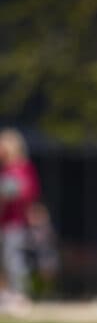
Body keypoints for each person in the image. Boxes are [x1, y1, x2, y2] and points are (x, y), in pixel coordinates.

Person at [0, 127, 41, 311]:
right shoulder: (6, 169)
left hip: (16, 222)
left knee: (14, 258)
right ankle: (8, 294)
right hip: (5, 222)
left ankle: (20, 295)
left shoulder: (22, 168)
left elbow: (27, 192)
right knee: (6, 259)